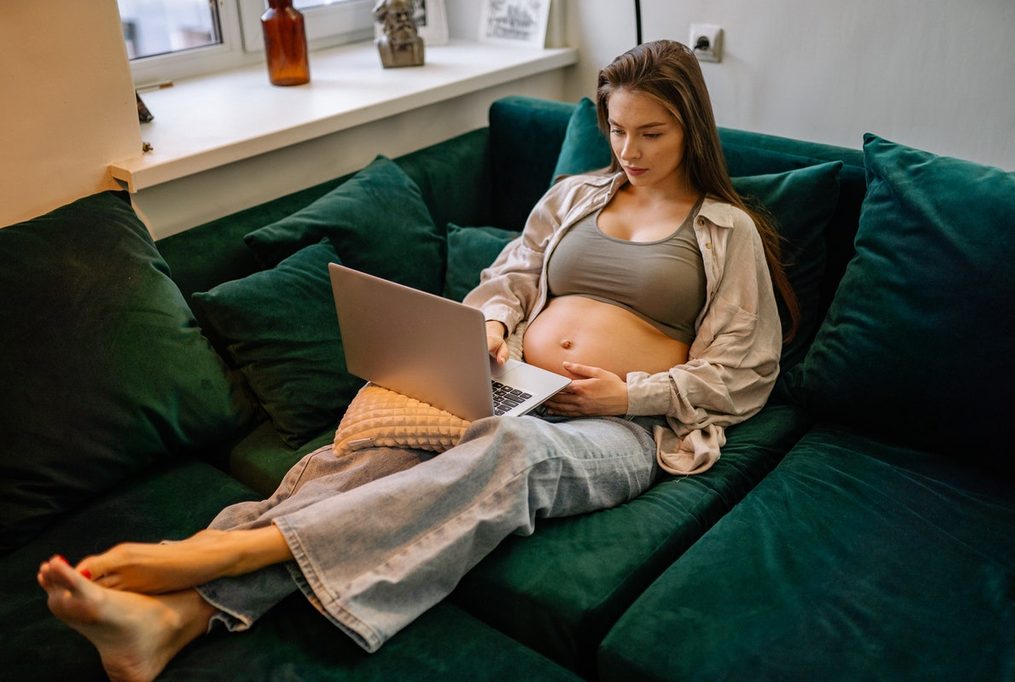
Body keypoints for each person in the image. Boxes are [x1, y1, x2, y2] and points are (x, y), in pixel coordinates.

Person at [36, 39, 797, 681]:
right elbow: (510, 278)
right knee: (380, 450)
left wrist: (625, 397)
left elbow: (745, 368)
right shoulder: (574, 195)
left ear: (692, 128)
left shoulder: (724, 230)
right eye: (618, 129)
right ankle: (172, 621)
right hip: (512, 384)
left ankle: (223, 551)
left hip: (619, 430)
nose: (629, 152)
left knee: (510, 449)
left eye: (652, 134)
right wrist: (492, 329)